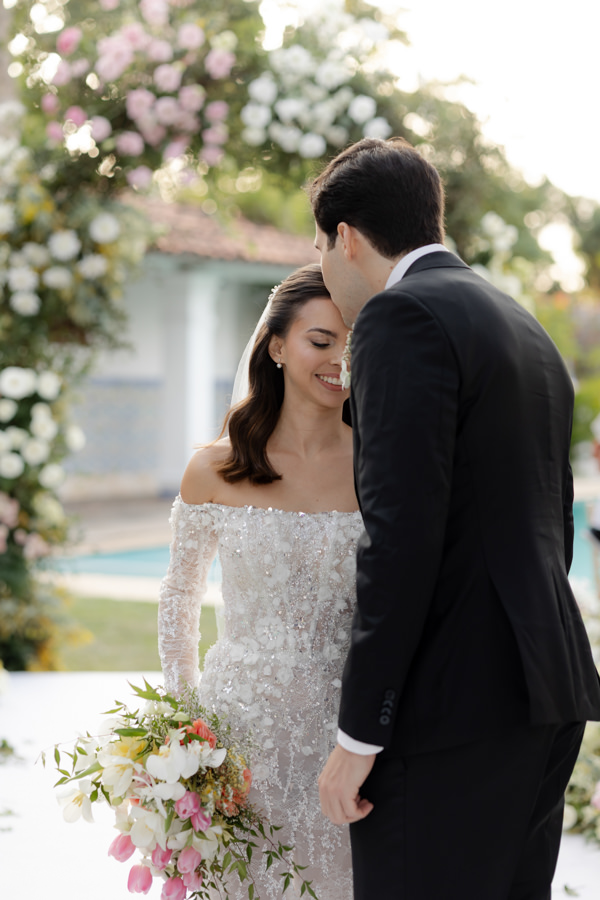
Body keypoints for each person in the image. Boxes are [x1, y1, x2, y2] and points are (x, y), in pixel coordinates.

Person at [311, 137, 600, 900]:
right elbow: (554, 519)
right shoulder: (523, 325)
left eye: (319, 247)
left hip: (453, 712)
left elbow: (399, 540)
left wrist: (359, 734)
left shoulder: (399, 317)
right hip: (546, 691)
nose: (323, 267)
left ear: (346, 237)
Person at [158, 263, 361, 900]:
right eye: (321, 340)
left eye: (354, 345)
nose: (339, 361)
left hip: (346, 733)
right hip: (239, 729)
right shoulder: (214, 468)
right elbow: (179, 598)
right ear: (276, 346)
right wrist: (184, 724)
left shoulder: (380, 466)